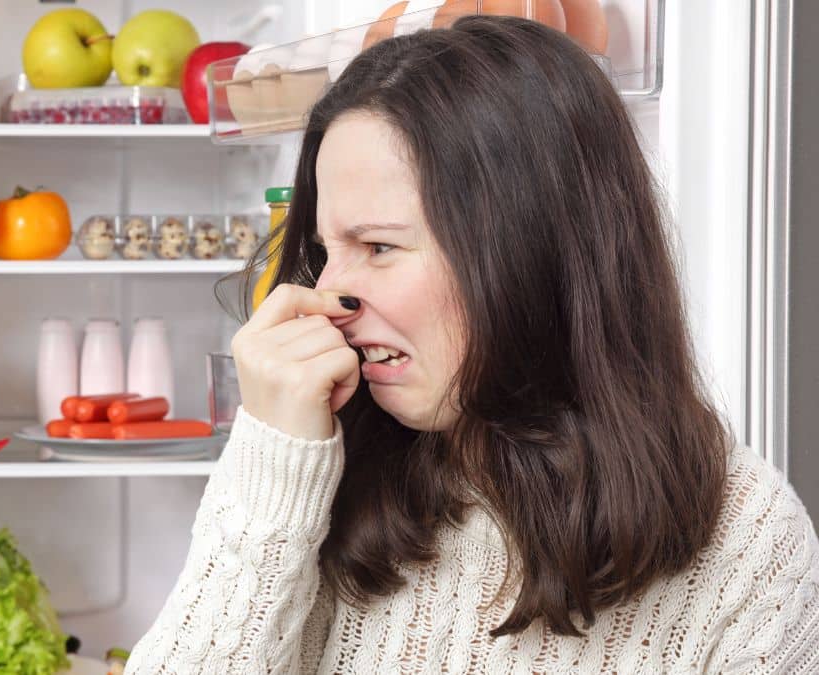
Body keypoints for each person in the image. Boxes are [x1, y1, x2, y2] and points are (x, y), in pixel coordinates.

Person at [126, 15, 819, 674]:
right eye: (323, 251)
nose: (330, 294)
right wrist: (271, 468)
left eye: (378, 245)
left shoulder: (748, 542)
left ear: (528, 251)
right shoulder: (318, 477)